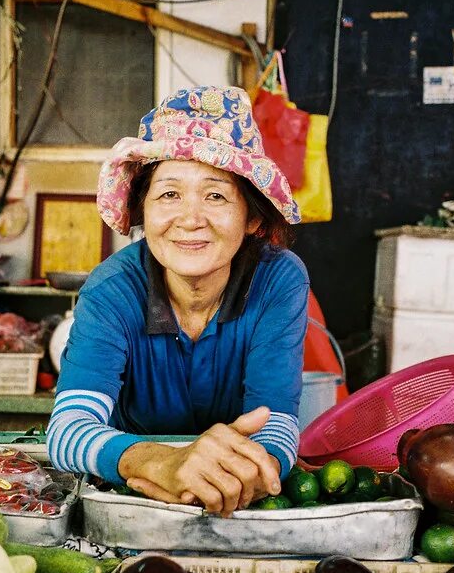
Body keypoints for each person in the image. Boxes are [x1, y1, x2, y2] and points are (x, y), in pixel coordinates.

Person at [47, 85, 309, 517]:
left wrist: (235, 476)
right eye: (169, 194)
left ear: (253, 217)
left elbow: (277, 425)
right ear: (143, 211)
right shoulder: (111, 290)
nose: (190, 219)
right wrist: (161, 462)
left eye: (216, 195)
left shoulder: (278, 281)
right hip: (134, 496)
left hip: (236, 501)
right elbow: (67, 432)